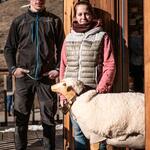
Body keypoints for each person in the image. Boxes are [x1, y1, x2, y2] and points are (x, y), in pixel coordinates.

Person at [4, 0, 64, 149]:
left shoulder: (54, 20)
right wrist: (13, 69)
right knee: (21, 119)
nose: (38, 1)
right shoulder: (19, 21)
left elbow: (63, 47)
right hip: (24, 77)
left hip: (46, 77)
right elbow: (9, 48)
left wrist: (57, 69)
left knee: (48, 119)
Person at [59, 1, 116, 150]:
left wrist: (100, 90)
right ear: (75, 16)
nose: (83, 17)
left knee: (98, 135)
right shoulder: (69, 38)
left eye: (86, 13)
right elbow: (63, 67)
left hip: (93, 94)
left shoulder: (102, 36)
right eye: (79, 14)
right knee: (78, 134)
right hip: (73, 96)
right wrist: (63, 95)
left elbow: (109, 65)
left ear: (91, 15)